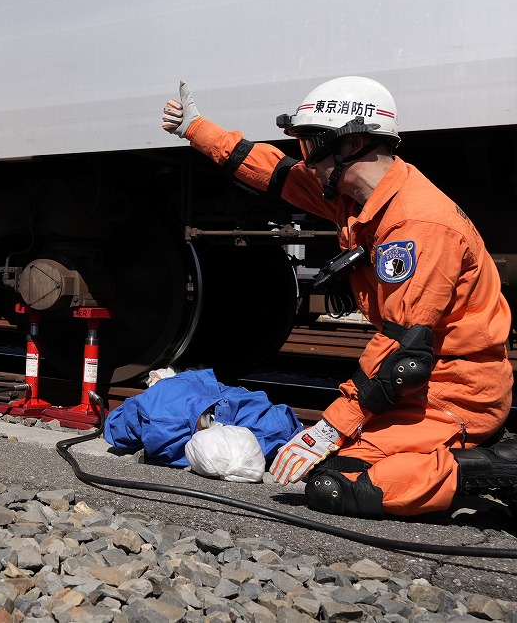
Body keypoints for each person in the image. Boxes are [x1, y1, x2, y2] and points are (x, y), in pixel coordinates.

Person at [162, 76, 515, 518]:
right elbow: (276, 172)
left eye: (311, 146)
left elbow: (404, 357)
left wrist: (329, 428)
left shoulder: (418, 226)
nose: (306, 161)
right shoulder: (359, 196)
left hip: (452, 396)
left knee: (336, 485)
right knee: (332, 469)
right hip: (421, 390)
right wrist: (196, 129)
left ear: (353, 145)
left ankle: (490, 467)